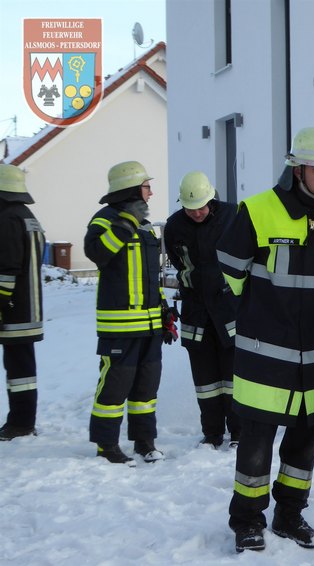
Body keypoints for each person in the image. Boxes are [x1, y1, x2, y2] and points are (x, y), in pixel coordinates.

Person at [216, 127, 314, 553]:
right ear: (297, 169)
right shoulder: (257, 211)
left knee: (305, 443)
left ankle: (289, 515)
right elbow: (228, 275)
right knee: (256, 445)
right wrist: (260, 318)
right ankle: (247, 521)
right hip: (265, 354)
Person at [84, 161, 174, 466]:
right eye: (147, 186)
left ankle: (144, 442)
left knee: (146, 388)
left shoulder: (146, 225)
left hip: (149, 325)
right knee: (115, 385)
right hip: (120, 325)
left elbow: (150, 275)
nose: (151, 192)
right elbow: (97, 253)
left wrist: (163, 312)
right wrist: (124, 225)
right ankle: (106, 444)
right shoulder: (105, 219)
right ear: (132, 189)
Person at [164, 171, 240, 449]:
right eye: (190, 208)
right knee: (205, 381)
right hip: (196, 312)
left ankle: (239, 434)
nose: (196, 213)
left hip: (229, 311)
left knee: (233, 379)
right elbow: (178, 262)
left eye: (201, 207)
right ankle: (212, 433)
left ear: (212, 199)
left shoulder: (232, 216)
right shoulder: (173, 226)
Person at [0, 164, 45, 441]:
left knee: (18, 370)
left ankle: (20, 423)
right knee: (23, 370)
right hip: (29, 308)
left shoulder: (7, 218)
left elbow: (7, 270)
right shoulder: (28, 216)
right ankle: (23, 421)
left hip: (13, 310)